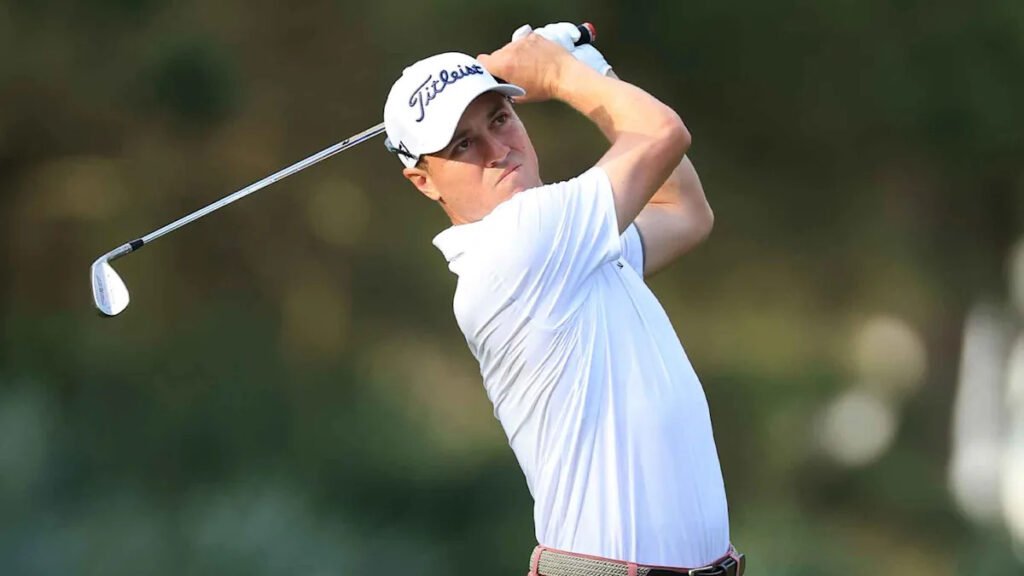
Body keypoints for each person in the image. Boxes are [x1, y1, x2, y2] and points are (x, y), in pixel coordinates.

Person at [383, 22, 744, 576]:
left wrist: (592, 70)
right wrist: (561, 73)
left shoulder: (567, 248)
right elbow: (663, 134)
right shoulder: (517, 244)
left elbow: (684, 211)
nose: (497, 149)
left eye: (499, 119)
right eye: (462, 144)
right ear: (424, 182)